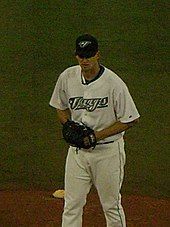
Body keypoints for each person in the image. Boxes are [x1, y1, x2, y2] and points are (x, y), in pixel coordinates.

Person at [49, 34, 140, 227]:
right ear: (76, 56)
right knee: (72, 204)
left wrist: (94, 136)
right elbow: (60, 105)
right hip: (77, 154)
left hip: (107, 153)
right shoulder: (67, 77)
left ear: (97, 55)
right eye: (82, 56)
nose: (85, 60)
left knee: (111, 206)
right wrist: (68, 124)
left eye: (89, 55)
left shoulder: (114, 83)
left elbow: (131, 119)